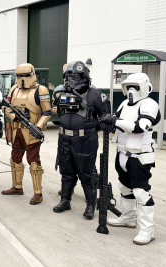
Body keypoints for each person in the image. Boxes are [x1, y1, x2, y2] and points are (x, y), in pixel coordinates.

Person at [98, 73, 160, 245]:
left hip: (140, 156)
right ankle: (128, 218)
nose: (131, 91)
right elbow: (114, 123)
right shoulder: (125, 103)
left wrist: (115, 120)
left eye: (135, 87)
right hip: (123, 153)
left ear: (145, 87)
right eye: (128, 87)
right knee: (124, 187)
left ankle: (148, 231)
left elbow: (140, 127)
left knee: (141, 192)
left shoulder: (150, 104)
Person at [52, 61, 110, 220]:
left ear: (84, 77)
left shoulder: (96, 95)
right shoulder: (62, 92)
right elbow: (59, 112)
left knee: (86, 173)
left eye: (75, 77)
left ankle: (91, 205)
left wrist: (89, 128)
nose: (71, 80)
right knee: (66, 171)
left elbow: (106, 119)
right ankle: (65, 200)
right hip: (64, 139)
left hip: (85, 140)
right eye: (69, 77)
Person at [2, 63, 51, 205]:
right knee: (15, 158)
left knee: (34, 161)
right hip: (17, 130)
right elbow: (5, 106)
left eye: (26, 75)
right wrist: (12, 116)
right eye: (19, 76)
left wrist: (37, 127)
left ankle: (38, 193)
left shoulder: (41, 90)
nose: (23, 79)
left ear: (33, 74)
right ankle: (17, 187)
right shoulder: (13, 90)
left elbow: (46, 112)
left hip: (31, 131)